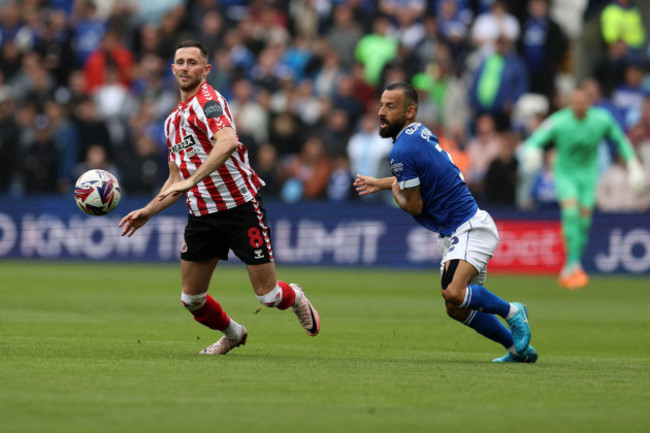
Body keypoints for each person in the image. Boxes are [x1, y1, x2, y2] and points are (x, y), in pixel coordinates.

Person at [118, 40, 320, 355]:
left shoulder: (210, 102)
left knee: (268, 296)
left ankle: (295, 296)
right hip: (202, 214)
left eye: (192, 62)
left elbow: (227, 142)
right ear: (172, 69)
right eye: (180, 62)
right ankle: (234, 333)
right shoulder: (172, 122)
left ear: (206, 69)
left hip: (239, 207)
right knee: (192, 299)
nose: (185, 67)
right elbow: (175, 179)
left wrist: (193, 180)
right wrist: (148, 211)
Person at [353, 82, 535, 363]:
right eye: (380, 105)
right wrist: (382, 183)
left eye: (390, 107)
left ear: (409, 111)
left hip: (469, 227)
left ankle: (513, 311)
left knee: (453, 291)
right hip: (455, 231)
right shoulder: (420, 132)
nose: (381, 112)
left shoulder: (400, 151)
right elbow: (420, 177)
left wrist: (394, 192)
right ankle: (515, 349)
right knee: (455, 307)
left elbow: (414, 204)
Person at [522, 86, 645, 290]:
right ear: (571, 102)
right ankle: (573, 265)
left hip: (589, 176)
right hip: (566, 174)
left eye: (582, 101)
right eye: (575, 101)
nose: (578, 105)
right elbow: (535, 140)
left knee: (584, 222)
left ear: (588, 102)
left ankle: (571, 263)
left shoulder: (601, 119)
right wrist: (531, 152)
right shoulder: (558, 121)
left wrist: (633, 164)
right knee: (571, 214)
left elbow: (620, 139)